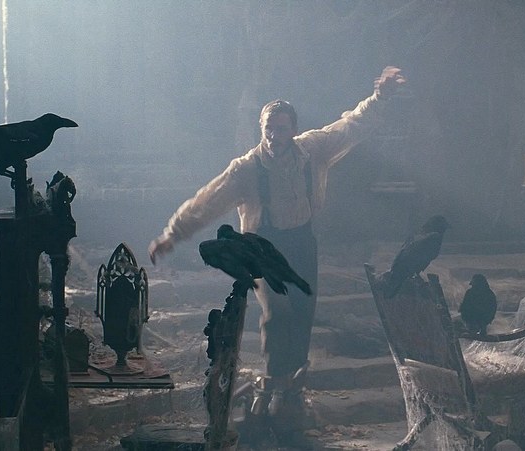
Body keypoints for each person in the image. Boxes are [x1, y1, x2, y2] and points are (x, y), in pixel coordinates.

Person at [148, 66, 405, 447]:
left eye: (281, 128)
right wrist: (172, 234)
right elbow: (208, 201)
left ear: (292, 130)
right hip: (262, 248)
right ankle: (269, 390)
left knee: (302, 315)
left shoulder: (312, 150)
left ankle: (290, 397)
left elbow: (351, 126)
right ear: (261, 128)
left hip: (301, 243)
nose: (273, 135)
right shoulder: (246, 169)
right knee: (278, 312)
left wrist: (381, 98)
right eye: (268, 128)